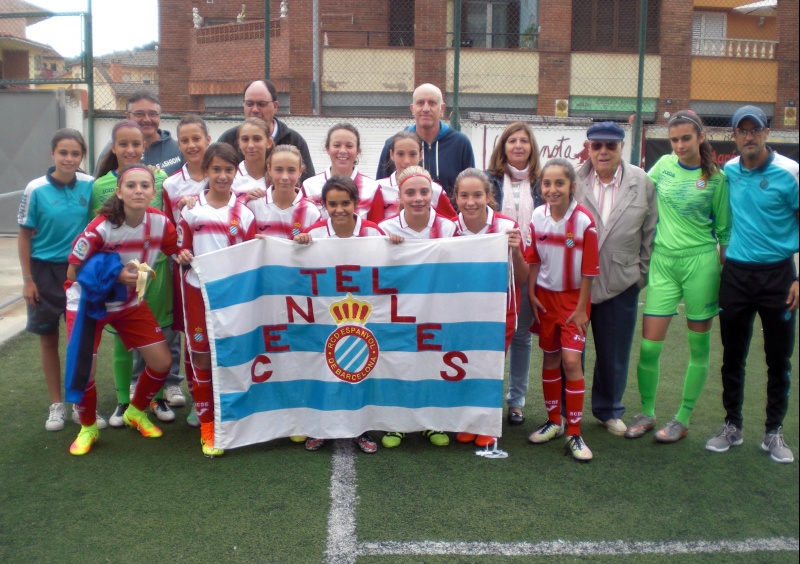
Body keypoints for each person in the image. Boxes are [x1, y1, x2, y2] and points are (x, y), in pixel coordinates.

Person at [65, 164, 193, 455]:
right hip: (88, 302)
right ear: (120, 192)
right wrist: (115, 274)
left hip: (128, 302)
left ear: (153, 192)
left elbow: (173, 248)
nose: (138, 190)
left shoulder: (160, 223)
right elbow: (73, 271)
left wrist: (181, 253)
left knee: (161, 363)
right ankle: (88, 427)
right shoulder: (101, 226)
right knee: (85, 371)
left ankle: (136, 412)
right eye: (131, 186)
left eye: (145, 186)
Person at [626, 110, 731, 443]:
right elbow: (638, 193)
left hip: (700, 263)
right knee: (648, 347)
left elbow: (724, 230)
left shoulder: (716, 178)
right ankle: (646, 412)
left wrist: (724, 271)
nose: (680, 145)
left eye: (686, 138)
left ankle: (682, 417)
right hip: (663, 265)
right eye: (674, 139)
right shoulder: (663, 167)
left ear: (700, 137)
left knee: (698, 347)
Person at [705, 105, 798, 464]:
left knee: (779, 358)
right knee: (733, 356)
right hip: (737, 276)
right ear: (733, 137)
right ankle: (732, 425)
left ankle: (773, 431)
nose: (748, 136)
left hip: (779, 276)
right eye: (741, 131)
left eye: (754, 130)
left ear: (766, 133)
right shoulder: (728, 171)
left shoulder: (791, 173)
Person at [93, 121, 181, 427]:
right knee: (122, 341)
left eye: (136, 144)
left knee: (155, 336)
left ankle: (153, 399)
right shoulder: (100, 185)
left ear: (145, 147)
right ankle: (121, 401)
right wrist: (113, 273)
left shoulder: (159, 178)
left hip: (157, 277)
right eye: (123, 144)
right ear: (113, 147)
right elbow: (96, 237)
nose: (130, 150)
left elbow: (167, 225)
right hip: (119, 281)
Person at [573, 121, 657, 436]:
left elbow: (650, 232)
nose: (603, 151)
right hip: (577, 283)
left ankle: (608, 410)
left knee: (614, 353)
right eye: (597, 145)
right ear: (588, 147)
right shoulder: (574, 179)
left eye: (611, 145)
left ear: (622, 147)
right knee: (572, 351)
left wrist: (639, 275)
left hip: (622, 281)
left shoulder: (642, 182)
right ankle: (570, 409)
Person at [17, 129, 103, 431]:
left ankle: (81, 403)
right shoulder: (35, 189)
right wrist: (28, 279)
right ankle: (57, 404)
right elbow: (25, 235)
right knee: (48, 339)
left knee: (79, 341)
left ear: (82, 157)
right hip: (43, 272)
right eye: (63, 152)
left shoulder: (90, 186)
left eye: (75, 153)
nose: (69, 158)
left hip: (77, 273)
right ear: (52, 154)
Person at [295, 175, 385, 454]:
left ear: (356, 203)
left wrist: (395, 243)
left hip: (364, 312)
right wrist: (296, 243)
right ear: (323, 205)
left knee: (361, 371)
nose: (339, 209)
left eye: (345, 203)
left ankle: (361, 429)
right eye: (332, 204)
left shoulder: (373, 232)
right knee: (322, 369)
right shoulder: (316, 232)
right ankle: (319, 427)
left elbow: (391, 264)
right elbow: (290, 260)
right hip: (324, 313)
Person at [179, 143, 257, 457]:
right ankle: (207, 424)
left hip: (232, 297)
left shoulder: (245, 213)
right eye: (216, 169)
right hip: (197, 293)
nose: (222, 176)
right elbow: (180, 247)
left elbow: (250, 257)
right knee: (200, 356)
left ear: (236, 173)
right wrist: (182, 254)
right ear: (207, 171)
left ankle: (233, 419)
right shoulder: (190, 208)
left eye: (229, 170)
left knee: (232, 355)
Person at [525, 158, 599, 462]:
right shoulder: (537, 216)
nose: (552, 189)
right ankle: (554, 421)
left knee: (571, 360)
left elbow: (590, 270)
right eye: (547, 183)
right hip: (545, 299)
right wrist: (531, 292)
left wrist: (582, 309)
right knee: (552, 356)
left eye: (559, 183)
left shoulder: (583, 221)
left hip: (573, 302)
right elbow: (534, 259)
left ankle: (575, 432)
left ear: (572, 186)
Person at [378, 166, 457, 449]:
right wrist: (386, 247)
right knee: (399, 362)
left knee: (431, 362)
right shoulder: (385, 229)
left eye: (424, 191)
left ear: (432, 194)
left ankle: (430, 421)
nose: (418, 198)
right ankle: (397, 423)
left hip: (435, 308)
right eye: (410, 192)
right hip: (399, 310)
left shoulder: (448, 227)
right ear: (399, 196)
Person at [452, 168, 528, 448]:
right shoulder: (450, 229)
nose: (470, 202)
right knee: (467, 365)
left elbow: (522, 278)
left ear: (489, 196)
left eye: (477, 195)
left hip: (499, 311)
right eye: (464, 195)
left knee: (490, 366)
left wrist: (517, 250)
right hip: (462, 314)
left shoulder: (506, 227)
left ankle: (488, 425)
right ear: (455, 198)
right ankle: (470, 421)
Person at [484, 122, 544, 426]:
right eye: (512, 141)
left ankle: (517, 401)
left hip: (530, 266)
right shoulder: (488, 179)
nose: (518, 145)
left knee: (522, 337)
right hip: (493, 268)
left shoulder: (543, 181)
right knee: (494, 337)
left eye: (524, 141)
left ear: (532, 147)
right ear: (503, 146)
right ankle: (489, 397)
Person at [161, 114, 213, 427]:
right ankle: (199, 399)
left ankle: (224, 395)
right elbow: (168, 229)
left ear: (208, 139)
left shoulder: (222, 175)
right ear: (178, 144)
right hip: (187, 273)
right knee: (194, 337)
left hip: (222, 271)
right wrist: (176, 253)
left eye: (197, 138)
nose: (192, 145)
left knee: (221, 333)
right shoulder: (170, 184)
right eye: (185, 140)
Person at [376, 83, 475, 196]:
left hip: (449, 213)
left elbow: (471, 187)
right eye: (420, 103)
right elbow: (381, 191)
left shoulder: (460, 143)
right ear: (412, 109)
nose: (426, 108)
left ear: (442, 108)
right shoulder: (394, 144)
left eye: (432, 103)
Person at [218, 79, 315, 182]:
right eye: (249, 103)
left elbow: (307, 184)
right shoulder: (228, 139)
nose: (255, 110)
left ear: (275, 106)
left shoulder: (294, 141)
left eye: (261, 104)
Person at [302, 123, 384, 222]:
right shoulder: (309, 186)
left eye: (349, 146)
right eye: (337, 145)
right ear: (327, 148)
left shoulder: (372, 188)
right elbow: (301, 225)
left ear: (357, 150)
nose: (343, 150)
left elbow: (377, 231)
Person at [95, 91, 184, 175]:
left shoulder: (178, 149)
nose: (147, 119)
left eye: (152, 114)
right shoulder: (114, 148)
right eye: (139, 114)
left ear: (159, 116)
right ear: (128, 117)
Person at [246, 144, 321, 240]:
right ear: (269, 170)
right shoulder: (253, 206)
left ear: (300, 171)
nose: (285, 177)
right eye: (279, 170)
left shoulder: (311, 212)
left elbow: (315, 250)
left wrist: (306, 242)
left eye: (291, 170)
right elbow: (244, 245)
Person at [377, 131, 457, 219]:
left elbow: (452, 223)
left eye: (413, 154)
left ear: (421, 155)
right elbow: (375, 227)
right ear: (392, 155)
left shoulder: (435, 189)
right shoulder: (379, 188)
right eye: (400, 154)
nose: (407, 161)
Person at [231, 117, 274, 196]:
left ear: (268, 142)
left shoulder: (277, 176)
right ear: (239, 143)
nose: (250, 145)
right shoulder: (231, 176)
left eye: (257, 139)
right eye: (245, 139)